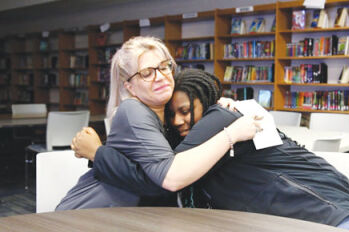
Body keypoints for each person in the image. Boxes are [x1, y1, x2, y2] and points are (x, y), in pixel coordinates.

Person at [72, 68, 349, 232]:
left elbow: (160, 179)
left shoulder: (222, 117)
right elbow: (158, 179)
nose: (177, 121)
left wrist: (98, 154)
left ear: (206, 100)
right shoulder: (194, 148)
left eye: (186, 110)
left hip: (333, 221)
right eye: (171, 115)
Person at [57, 36, 261, 210]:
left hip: (127, 217)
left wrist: (215, 104)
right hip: (87, 213)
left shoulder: (166, 114)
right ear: (130, 87)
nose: (161, 77)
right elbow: (165, 181)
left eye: (164, 67)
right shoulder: (132, 109)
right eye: (146, 73)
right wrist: (231, 134)